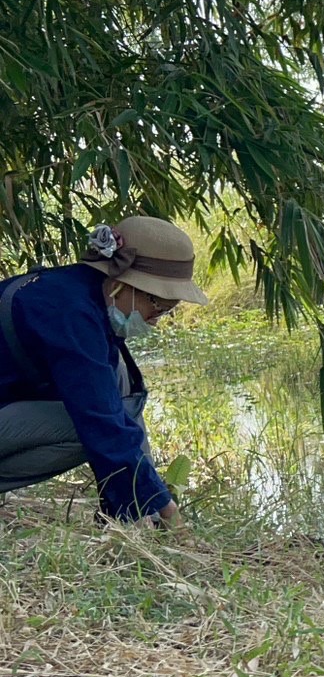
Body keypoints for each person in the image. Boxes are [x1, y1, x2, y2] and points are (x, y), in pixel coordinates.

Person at [0, 216, 208, 524]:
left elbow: (110, 401)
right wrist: (170, 514)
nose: (156, 319)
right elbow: (102, 422)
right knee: (89, 426)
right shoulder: (70, 314)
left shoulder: (78, 291)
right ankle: (142, 513)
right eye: (157, 305)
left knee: (119, 385)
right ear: (121, 285)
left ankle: (134, 514)